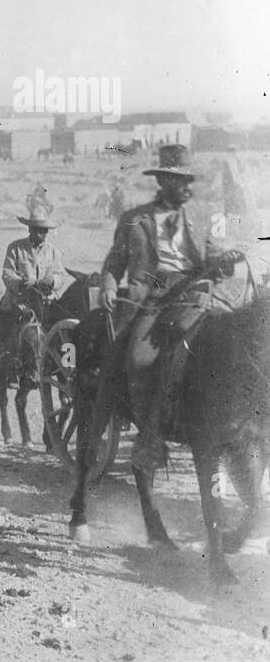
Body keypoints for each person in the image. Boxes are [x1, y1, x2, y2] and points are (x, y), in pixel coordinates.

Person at [94, 145, 246, 471]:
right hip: (152, 299)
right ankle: (149, 433)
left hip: (195, 295)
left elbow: (212, 256)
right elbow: (114, 263)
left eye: (190, 180)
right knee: (139, 357)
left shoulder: (202, 217)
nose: (188, 187)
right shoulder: (134, 220)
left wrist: (224, 260)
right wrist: (108, 286)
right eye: (180, 181)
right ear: (163, 181)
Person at [0, 205, 68, 313]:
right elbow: (7, 273)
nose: (38, 234)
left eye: (42, 231)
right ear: (29, 229)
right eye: (35, 230)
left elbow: (60, 275)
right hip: (19, 302)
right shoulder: (15, 247)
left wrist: (52, 280)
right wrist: (20, 283)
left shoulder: (53, 251)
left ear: (46, 231)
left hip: (46, 302)